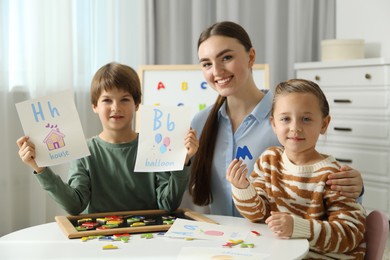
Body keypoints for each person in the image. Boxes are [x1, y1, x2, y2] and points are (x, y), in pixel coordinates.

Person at [188, 21, 364, 217]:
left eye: (226, 57)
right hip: (220, 238)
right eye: (207, 64)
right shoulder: (200, 123)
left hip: (274, 240)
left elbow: (316, 180)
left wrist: (354, 186)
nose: (217, 71)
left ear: (251, 56)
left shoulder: (287, 118)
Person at [17, 62, 199, 215]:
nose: (116, 107)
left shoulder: (152, 145)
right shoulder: (84, 151)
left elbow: (168, 204)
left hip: (148, 236)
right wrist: (40, 169)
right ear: (95, 106)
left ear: (136, 104)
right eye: (107, 100)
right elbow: (75, 205)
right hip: (100, 241)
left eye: (124, 99)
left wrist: (181, 163)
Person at [226, 79, 366, 259]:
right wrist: (243, 188)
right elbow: (257, 214)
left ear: (323, 124)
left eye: (306, 119)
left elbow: (349, 234)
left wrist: (297, 228)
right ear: (274, 124)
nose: (295, 128)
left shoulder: (334, 176)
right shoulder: (269, 160)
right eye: (285, 119)